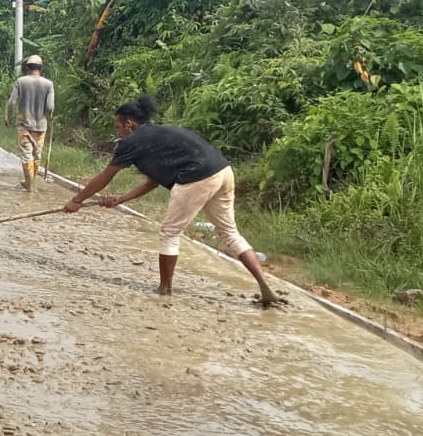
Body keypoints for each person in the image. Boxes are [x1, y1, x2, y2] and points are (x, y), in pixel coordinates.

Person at [63, 95, 284, 307]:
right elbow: (152, 181)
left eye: (118, 127)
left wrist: (76, 200)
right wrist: (120, 199)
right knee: (230, 232)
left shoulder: (131, 142)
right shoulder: (158, 134)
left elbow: (106, 175)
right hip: (223, 171)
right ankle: (265, 287)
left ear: (129, 124)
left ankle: (164, 289)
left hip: (197, 176)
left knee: (170, 233)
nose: (118, 132)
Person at [5, 54, 55, 192]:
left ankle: (30, 185)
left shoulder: (21, 81)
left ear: (27, 67)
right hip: (41, 126)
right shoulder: (48, 84)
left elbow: (11, 102)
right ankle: (30, 183)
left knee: (26, 154)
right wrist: (48, 117)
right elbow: (50, 107)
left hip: (24, 125)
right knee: (37, 155)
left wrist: (8, 117)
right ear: (41, 68)